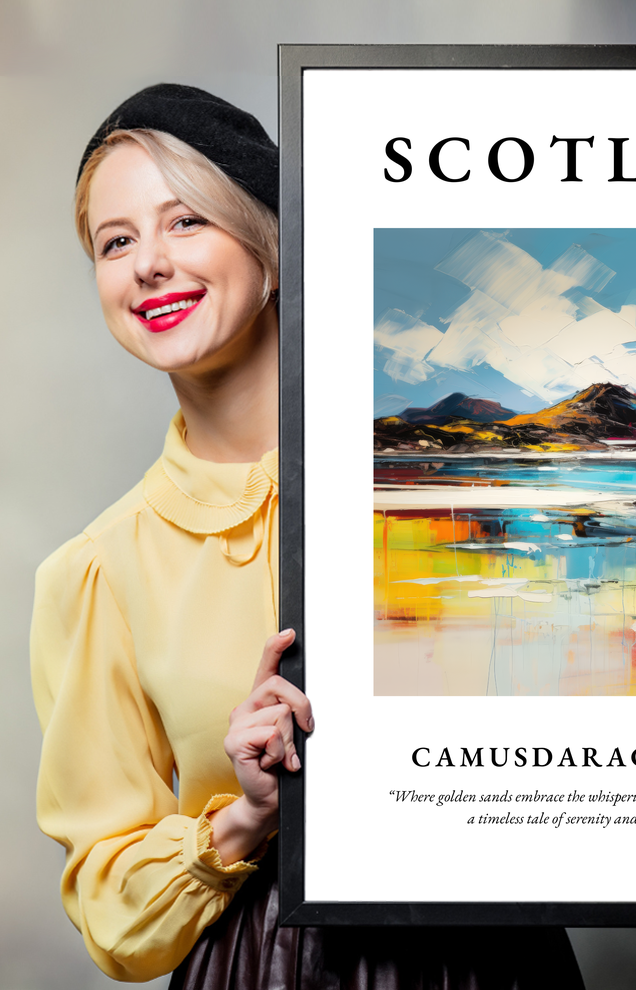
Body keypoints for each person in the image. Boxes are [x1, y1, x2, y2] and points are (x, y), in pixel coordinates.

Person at [30, 84, 585, 988]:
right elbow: (110, 909)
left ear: (273, 248)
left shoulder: (445, 487)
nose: (148, 265)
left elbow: (613, 697)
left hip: (493, 958)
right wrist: (245, 816)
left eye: (186, 223)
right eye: (116, 241)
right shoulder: (97, 571)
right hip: (262, 966)